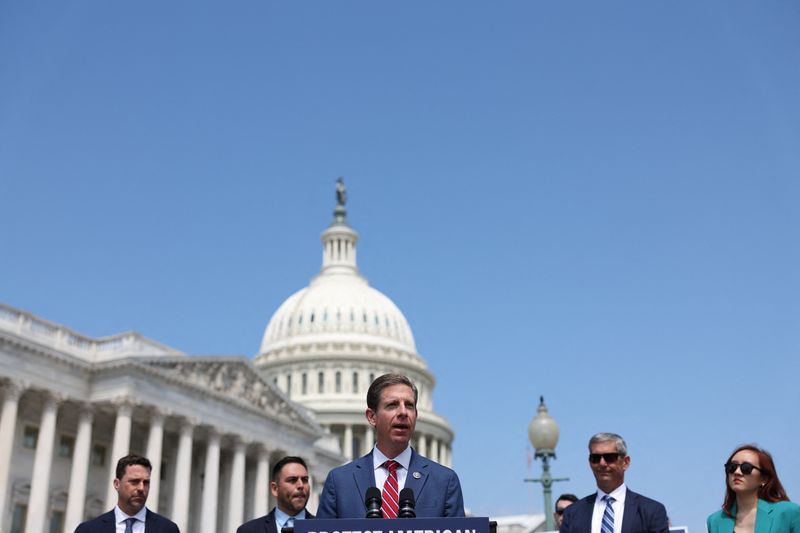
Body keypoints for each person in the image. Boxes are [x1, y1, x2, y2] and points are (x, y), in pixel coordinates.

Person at [316, 373, 465, 518]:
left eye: (409, 405)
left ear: (416, 415)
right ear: (372, 417)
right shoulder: (340, 481)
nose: (403, 412)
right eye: (392, 405)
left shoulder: (444, 481)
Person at [559, 432, 668, 533]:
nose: (602, 463)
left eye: (609, 457)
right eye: (595, 458)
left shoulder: (651, 511)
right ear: (590, 463)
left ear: (625, 462)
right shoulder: (572, 514)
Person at [706, 444, 800, 533]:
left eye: (746, 468)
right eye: (732, 467)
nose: (737, 472)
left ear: (764, 479)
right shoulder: (715, 521)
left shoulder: (789, 512)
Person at [75, 454, 179, 533]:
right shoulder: (88, 530)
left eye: (146, 482)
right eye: (134, 482)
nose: (141, 488)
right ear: (117, 484)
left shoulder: (168, 529)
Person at [237, 456, 314, 533]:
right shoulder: (248, 531)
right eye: (292, 480)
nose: (301, 485)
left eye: (305, 480)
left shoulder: (324, 529)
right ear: (275, 489)